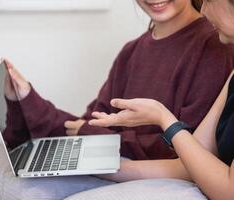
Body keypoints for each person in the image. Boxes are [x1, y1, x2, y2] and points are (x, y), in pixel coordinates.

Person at [3, 0, 233, 163]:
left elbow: (190, 148)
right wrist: (23, 99)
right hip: (120, 159)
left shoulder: (216, 44)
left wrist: (101, 139)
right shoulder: (131, 51)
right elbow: (90, 125)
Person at [89, 1, 234, 199]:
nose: (203, 10)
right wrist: (105, 168)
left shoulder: (211, 47)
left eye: (209, 0)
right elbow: (190, 162)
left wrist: (164, 119)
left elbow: (229, 191)